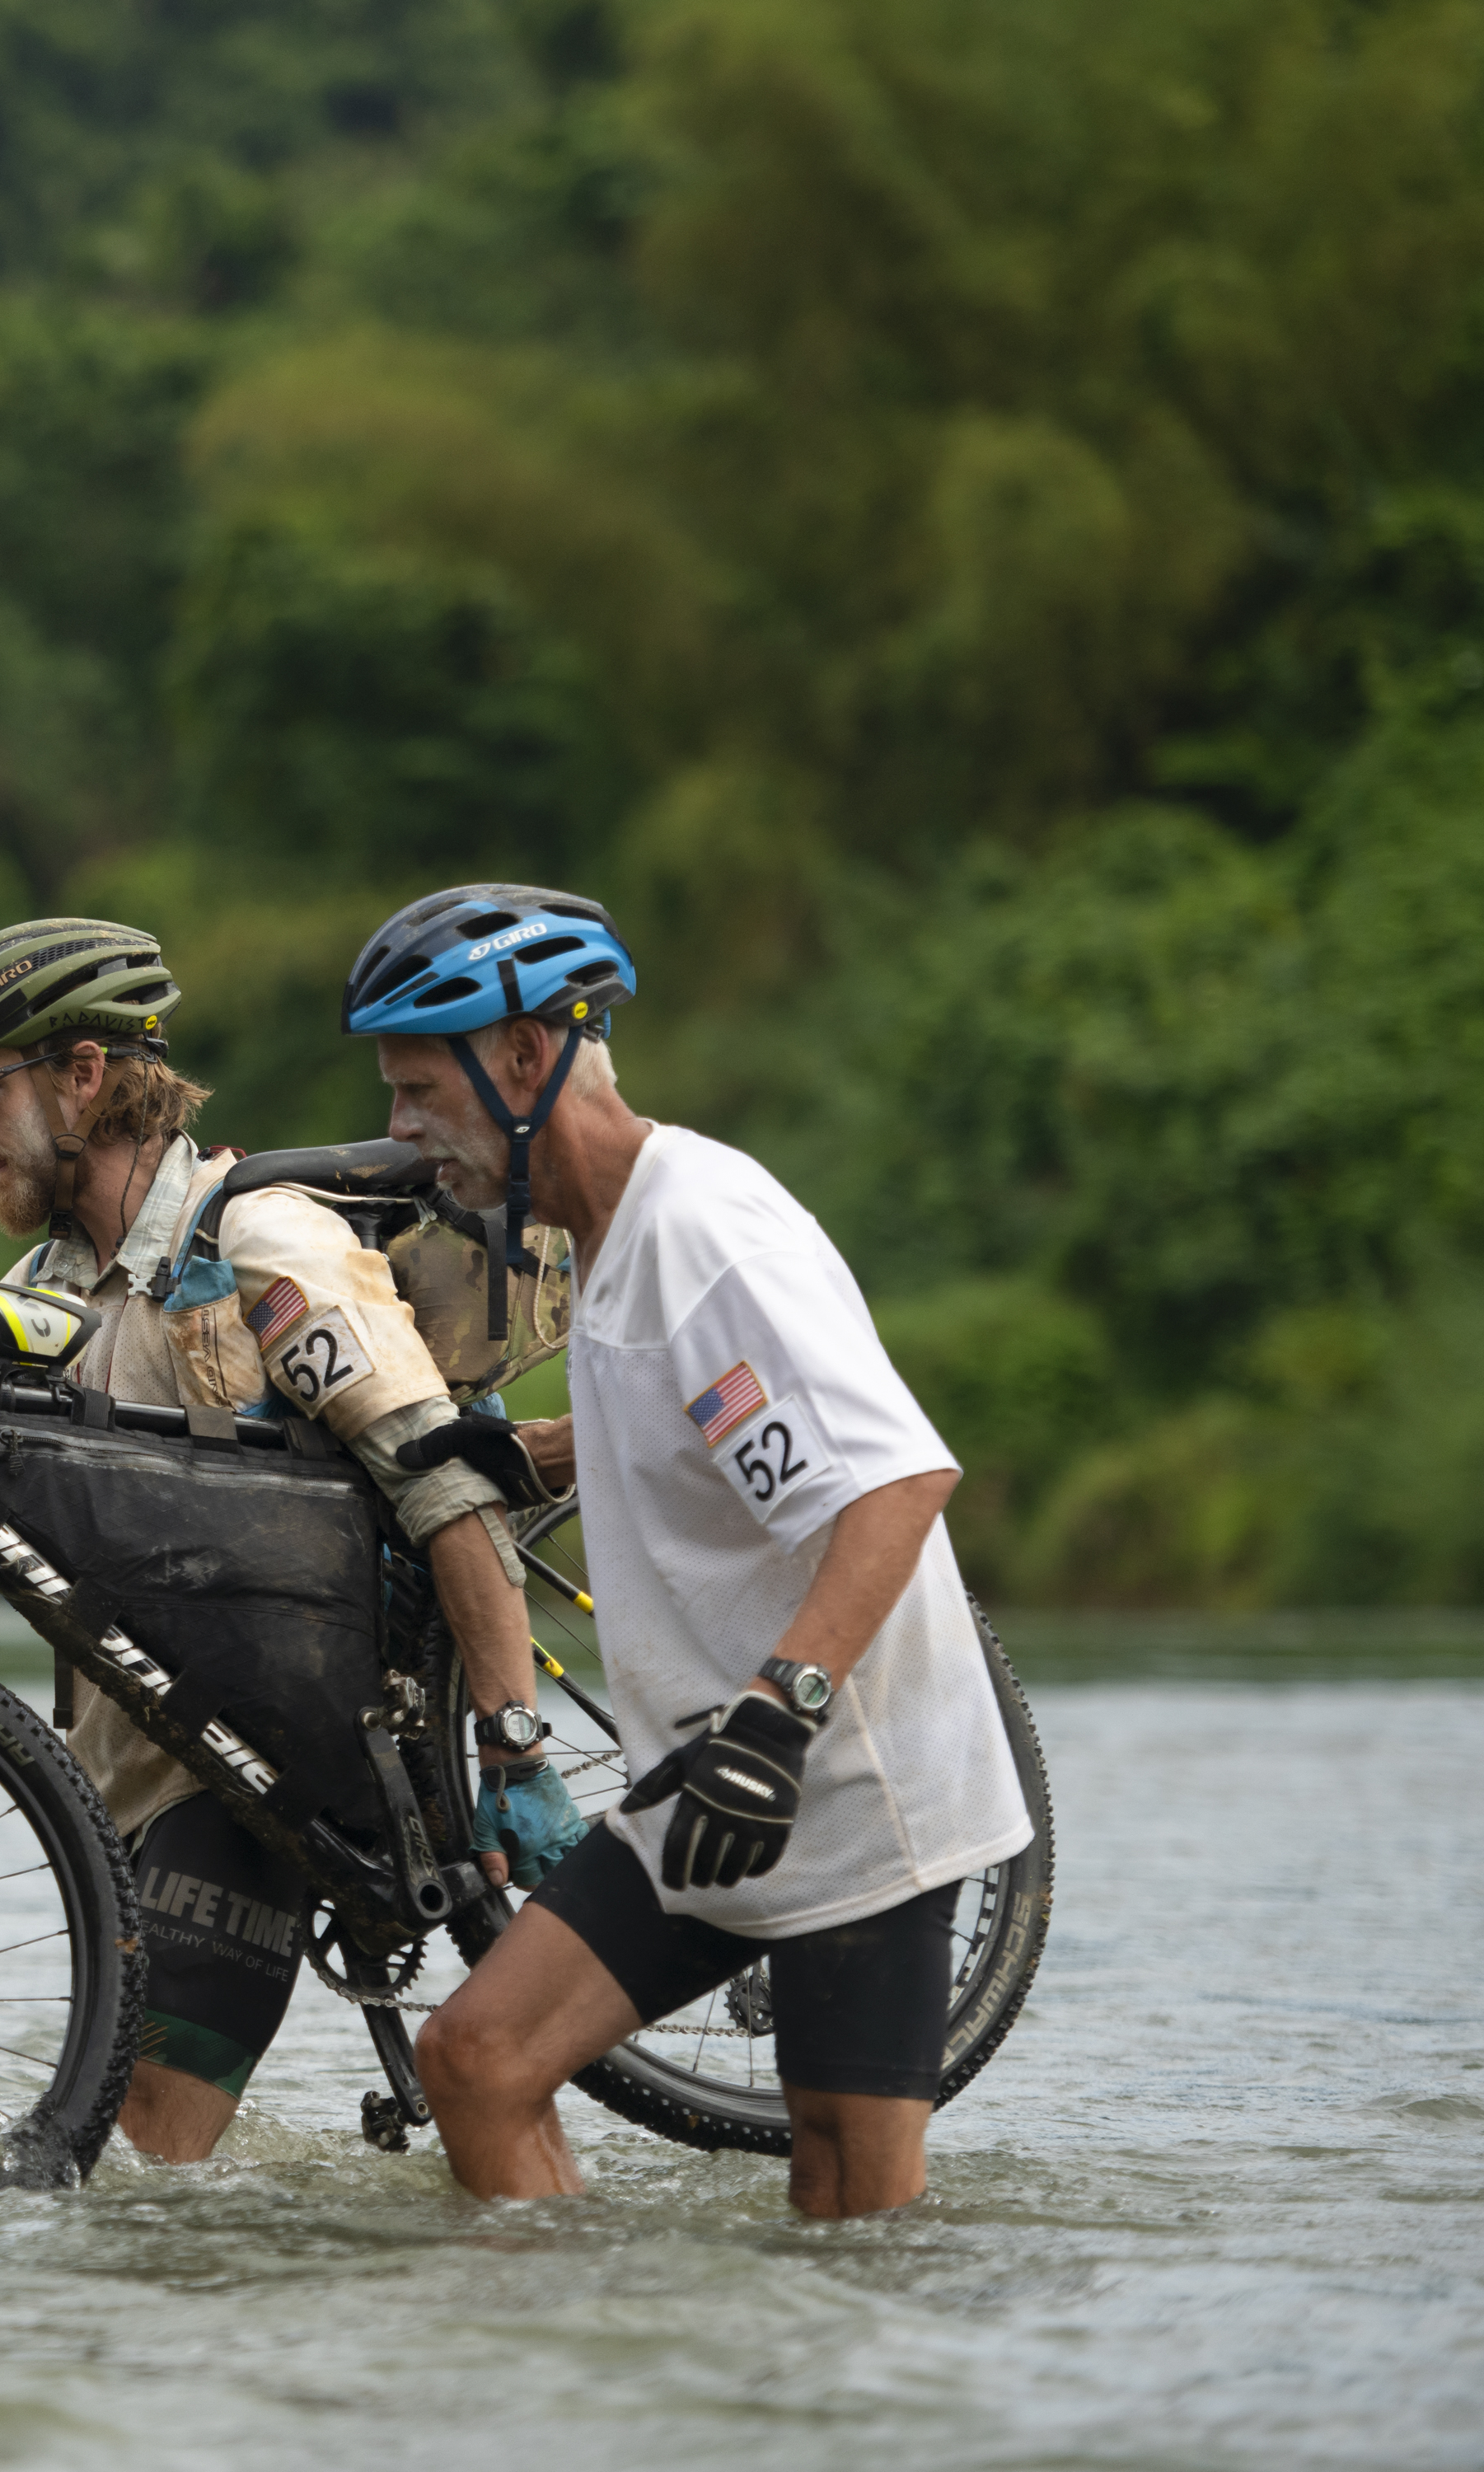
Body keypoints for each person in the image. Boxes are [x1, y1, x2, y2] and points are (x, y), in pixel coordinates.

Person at [0, 917, 584, 2165]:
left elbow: (441, 1481)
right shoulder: (43, 1298)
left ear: (84, 1077)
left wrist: (513, 1742)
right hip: (130, 1779)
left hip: (259, 1762)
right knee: (155, 2166)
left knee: (145, 2138)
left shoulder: (260, 1238)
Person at [352, 883, 1038, 2217]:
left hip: (837, 1793)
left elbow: (894, 1484)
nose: (401, 1131)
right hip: (706, 1790)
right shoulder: (607, 1234)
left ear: (525, 1060)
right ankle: (590, 2380)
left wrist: (779, 1723)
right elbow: (703, 1412)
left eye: (421, 1090)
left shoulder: (705, 1238)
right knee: (478, 2061)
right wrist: (540, 1452)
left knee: (847, 2211)